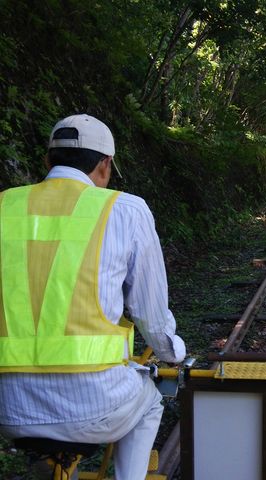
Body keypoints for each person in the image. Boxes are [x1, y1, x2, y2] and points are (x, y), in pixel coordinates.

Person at [0, 114, 186, 479]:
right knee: (150, 400)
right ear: (105, 165)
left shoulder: (5, 205)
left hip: (7, 408)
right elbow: (151, 313)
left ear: (47, 161)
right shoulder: (125, 209)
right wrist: (171, 352)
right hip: (93, 406)